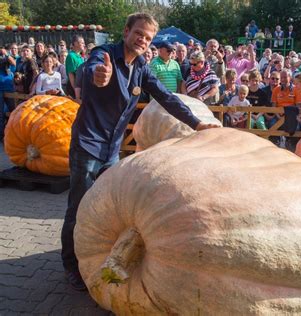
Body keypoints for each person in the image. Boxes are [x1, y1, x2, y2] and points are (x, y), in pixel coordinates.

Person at [61, 12, 219, 292]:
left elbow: (166, 97)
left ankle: (96, 256)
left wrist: (196, 123)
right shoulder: (104, 55)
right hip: (87, 144)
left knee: (106, 208)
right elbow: (91, 69)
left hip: (112, 149)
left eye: (148, 38)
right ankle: (71, 265)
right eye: (139, 34)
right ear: (126, 32)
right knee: (78, 206)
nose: (142, 40)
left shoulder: (142, 68)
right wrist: (98, 75)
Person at [0, 46, 16, 142]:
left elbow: (13, 63)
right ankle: (2, 136)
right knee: (0, 114)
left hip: (9, 88)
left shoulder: (7, 57)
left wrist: (6, 54)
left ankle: (14, 133)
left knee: (13, 111)